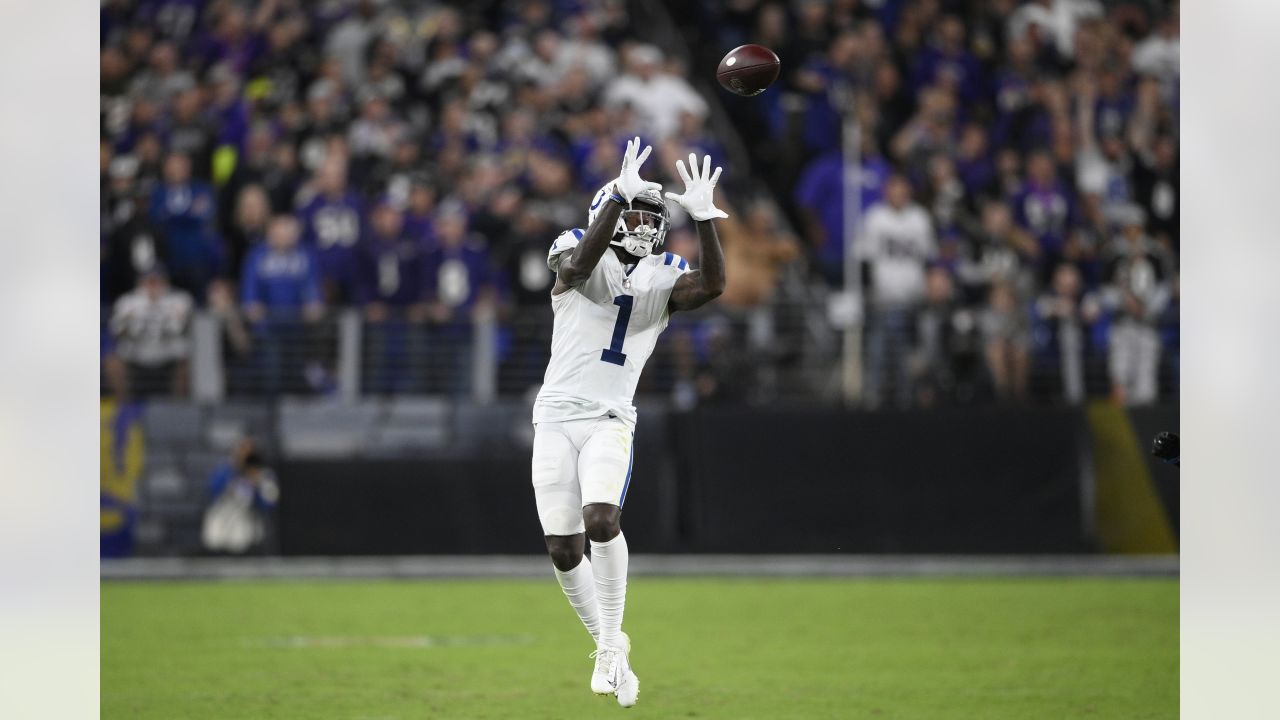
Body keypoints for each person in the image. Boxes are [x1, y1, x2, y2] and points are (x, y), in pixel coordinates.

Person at [533, 140, 727, 707]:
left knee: (601, 517)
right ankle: (611, 644)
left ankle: (612, 649)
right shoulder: (573, 245)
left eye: (651, 213)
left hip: (610, 418)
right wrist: (618, 196)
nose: (645, 222)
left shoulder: (663, 274)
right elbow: (577, 267)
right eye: (634, 210)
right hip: (555, 417)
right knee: (563, 550)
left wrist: (706, 219)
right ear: (607, 210)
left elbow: (713, 286)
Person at [108, 265, 194, 399]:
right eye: (149, 281)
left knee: (188, 364)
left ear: (165, 282)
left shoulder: (180, 299)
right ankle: (125, 405)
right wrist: (126, 324)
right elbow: (116, 330)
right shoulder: (127, 301)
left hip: (169, 354)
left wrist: (179, 320)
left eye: (157, 281)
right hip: (136, 354)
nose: (153, 286)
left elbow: (187, 328)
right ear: (141, 283)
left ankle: (179, 407)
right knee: (112, 363)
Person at [202, 438, 281, 555]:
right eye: (241, 453)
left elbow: (268, 504)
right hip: (222, 521)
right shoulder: (225, 472)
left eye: (249, 454)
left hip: (247, 525)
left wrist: (256, 484)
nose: (244, 458)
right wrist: (234, 474)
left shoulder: (265, 476)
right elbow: (213, 491)